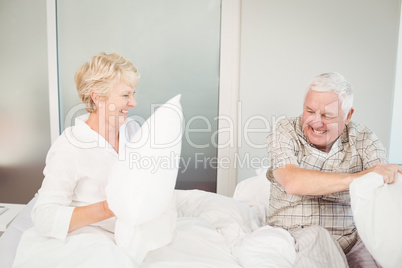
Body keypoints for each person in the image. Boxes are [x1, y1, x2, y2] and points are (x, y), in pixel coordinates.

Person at [266, 72, 402, 268]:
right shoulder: (284, 130)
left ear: (348, 116)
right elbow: (292, 181)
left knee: (379, 254)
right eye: (309, 111)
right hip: (296, 233)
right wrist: (360, 176)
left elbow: (381, 187)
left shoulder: (365, 140)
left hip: (350, 239)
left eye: (327, 115)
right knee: (318, 236)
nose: (316, 122)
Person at [32, 52, 141, 238]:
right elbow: (44, 217)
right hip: (97, 238)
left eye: (133, 94)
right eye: (125, 95)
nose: (134, 103)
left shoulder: (132, 129)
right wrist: (109, 208)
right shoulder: (70, 146)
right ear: (97, 98)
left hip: (137, 230)